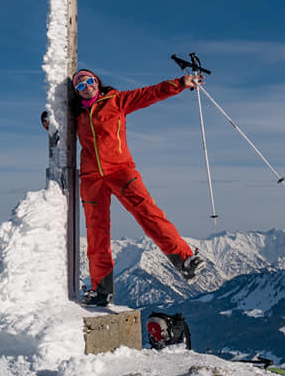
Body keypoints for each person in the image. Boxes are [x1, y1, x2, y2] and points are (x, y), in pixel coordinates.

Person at [72, 68, 205, 307]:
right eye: (80, 85)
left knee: (148, 214)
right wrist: (46, 120)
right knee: (96, 234)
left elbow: (149, 94)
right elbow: (56, 126)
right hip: (92, 180)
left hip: (122, 171)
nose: (87, 86)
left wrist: (181, 83)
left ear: (97, 82)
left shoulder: (116, 101)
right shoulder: (76, 115)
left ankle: (184, 260)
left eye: (89, 81)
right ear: (76, 92)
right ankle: (102, 291)